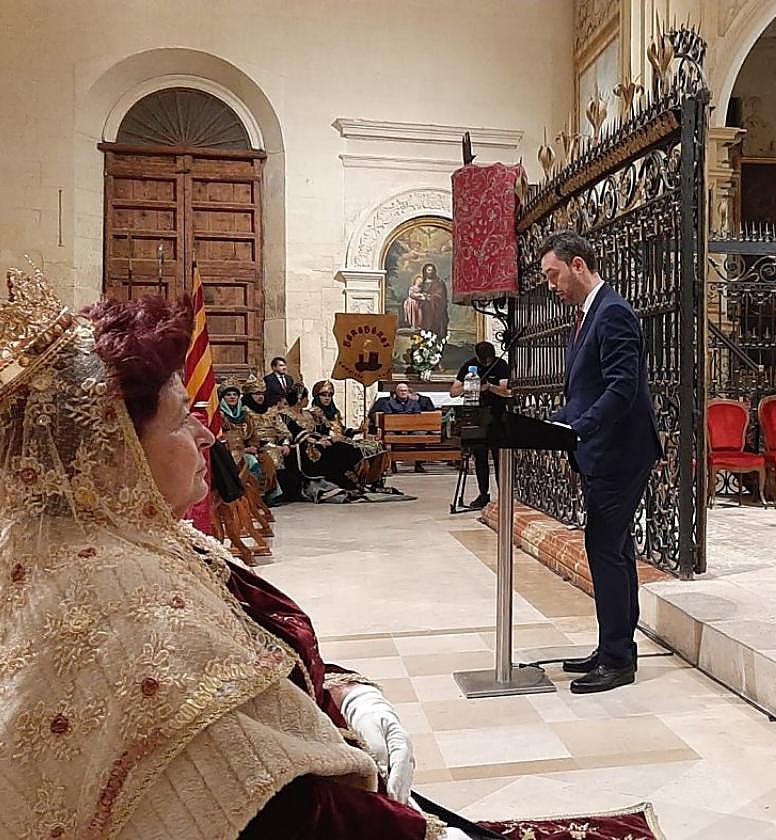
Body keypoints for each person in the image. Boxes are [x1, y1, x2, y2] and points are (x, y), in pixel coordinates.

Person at [0, 271, 494, 838]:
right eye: (183, 417)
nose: (206, 436)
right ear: (116, 450)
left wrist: (343, 693)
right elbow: (275, 806)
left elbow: (255, 655)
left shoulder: (130, 539)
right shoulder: (132, 614)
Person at [540, 231, 662, 695]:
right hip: (605, 449)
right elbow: (586, 391)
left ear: (577, 264)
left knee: (606, 552)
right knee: (611, 551)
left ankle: (617, 659)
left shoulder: (613, 313)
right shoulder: (591, 314)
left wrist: (579, 428)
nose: (551, 286)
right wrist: (553, 423)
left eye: (553, 275)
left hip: (619, 452)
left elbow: (621, 388)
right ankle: (613, 648)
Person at [449, 341, 511, 509]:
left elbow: (506, 391)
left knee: (499, 457)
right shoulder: (469, 366)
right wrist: (470, 386)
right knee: (480, 456)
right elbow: (453, 392)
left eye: (489, 359)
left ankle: (504, 494)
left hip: (497, 415)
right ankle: (483, 494)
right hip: (476, 414)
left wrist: (490, 387)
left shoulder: (501, 365)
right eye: (483, 360)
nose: (486, 363)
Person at [310, 379, 390, 489]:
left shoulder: (334, 413)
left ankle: (373, 479)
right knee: (354, 450)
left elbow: (343, 430)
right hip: (327, 446)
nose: (327, 398)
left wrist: (359, 430)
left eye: (330, 395)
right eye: (324, 395)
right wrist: (330, 438)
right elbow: (313, 433)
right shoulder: (313, 414)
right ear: (316, 395)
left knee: (377, 445)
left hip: (343, 440)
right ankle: (356, 481)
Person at [219, 381, 282, 504]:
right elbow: (221, 438)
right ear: (222, 398)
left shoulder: (245, 415)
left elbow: (253, 436)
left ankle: (264, 494)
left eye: (235, 395)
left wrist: (253, 446)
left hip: (247, 450)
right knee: (249, 461)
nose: (232, 397)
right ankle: (250, 497)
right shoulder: (219, 417)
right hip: (230, 453)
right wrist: (243, 450)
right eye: (228, 395)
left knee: (266, 459)